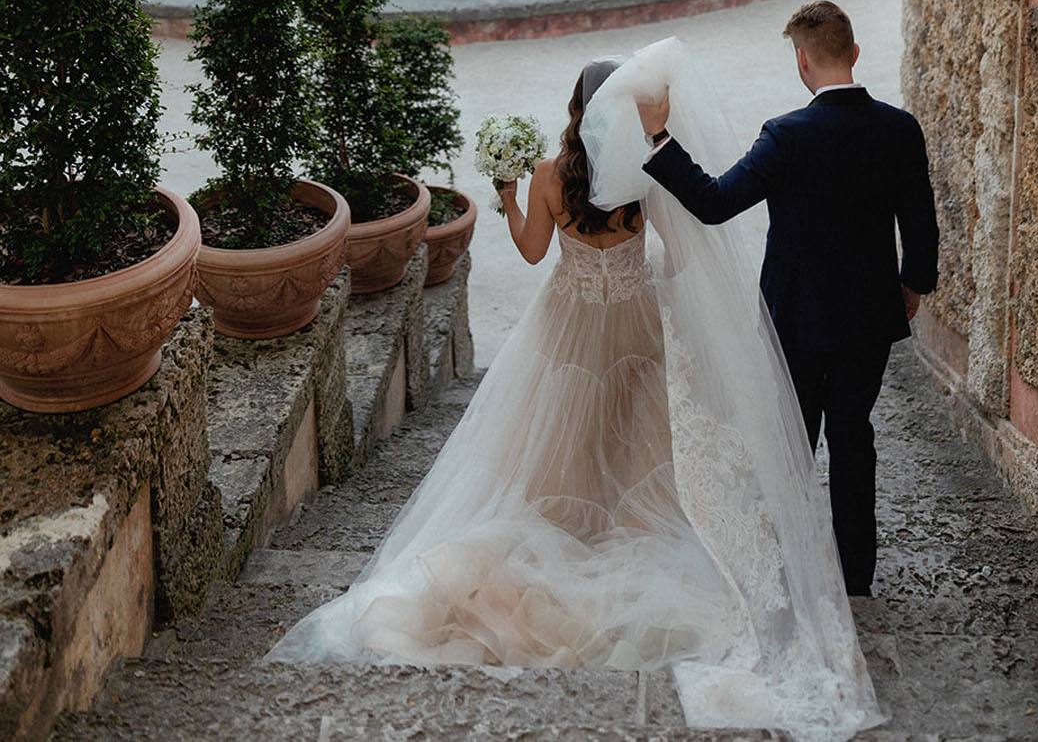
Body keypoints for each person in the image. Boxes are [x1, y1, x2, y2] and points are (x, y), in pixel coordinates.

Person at [269, 44, 881, 739]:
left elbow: (532, 251)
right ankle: (625, 531)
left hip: (568, 324)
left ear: (575, 110)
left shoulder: (550, 175)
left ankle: (567, 537)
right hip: (635, 320)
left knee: (556, 437)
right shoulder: (645, 177)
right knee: (639, 440)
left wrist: (505, 191)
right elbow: (679, 258)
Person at [638, 0, 939, 599]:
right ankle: (856, 577)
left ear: (802, 60)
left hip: (795, 319)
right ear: (854, 53)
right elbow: (921, 224)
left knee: (791, 442)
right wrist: (912, 287)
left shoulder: (786, 135)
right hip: (868, 317)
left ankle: (792, 566)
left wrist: (657, 135)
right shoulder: (900, 129)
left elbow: (715, 201)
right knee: (854, 434)